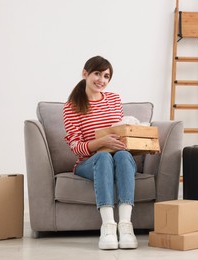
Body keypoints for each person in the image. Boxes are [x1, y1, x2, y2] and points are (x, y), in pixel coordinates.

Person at [63, 56, 138, 250]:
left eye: (106, 76)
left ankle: (126, 226)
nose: (101, 80)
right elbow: (75, 146)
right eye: (97, 73)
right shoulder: (72, 107)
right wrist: (100, 143)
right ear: (85, 73)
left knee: (122, 156)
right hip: (88, 162)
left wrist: (143, 143)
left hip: (118, 156)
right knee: (104, 156)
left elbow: (122, 131)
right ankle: (108, 226)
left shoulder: (114, 99)